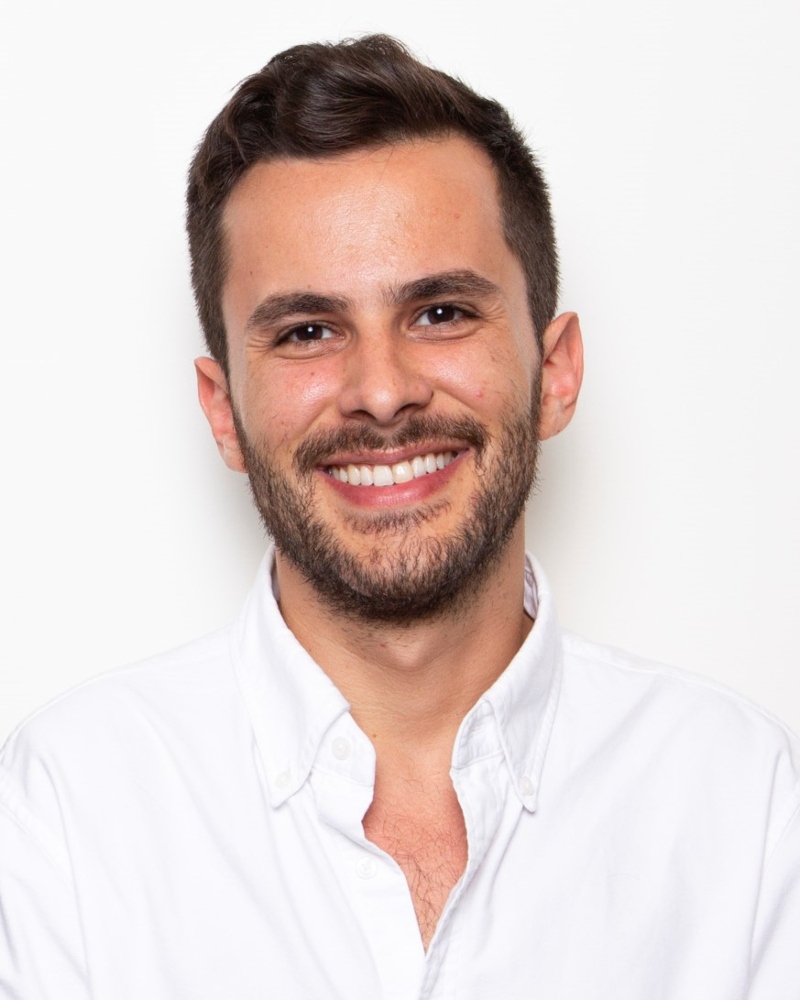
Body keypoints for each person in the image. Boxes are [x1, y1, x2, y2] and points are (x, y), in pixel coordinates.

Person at [0, 34, 797, 1000]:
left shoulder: (745, 803)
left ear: (555, 373)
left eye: (441, 313)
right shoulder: (64, 816)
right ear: (225, 413)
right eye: (308, 331)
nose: (381, 393)